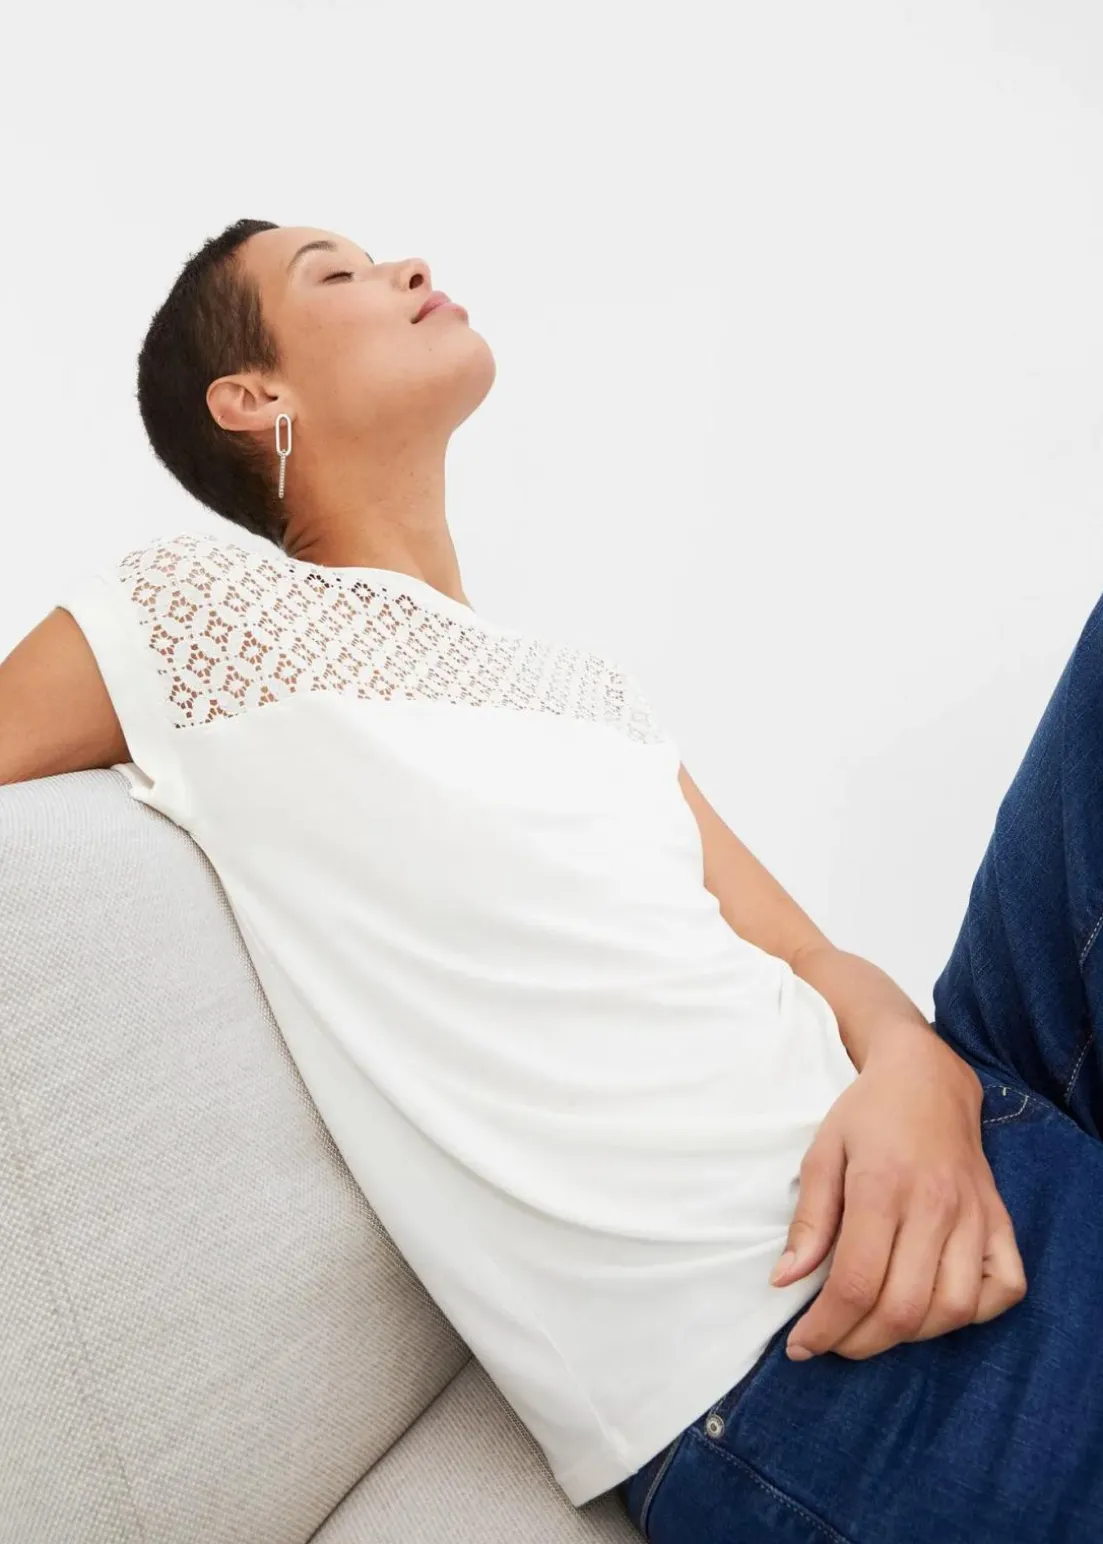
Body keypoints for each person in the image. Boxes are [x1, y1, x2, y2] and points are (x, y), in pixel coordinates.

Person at [0, 219, 1100, 1542]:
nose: (407, 269)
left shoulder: (585, 687)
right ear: (252, 398)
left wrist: (919, 1070)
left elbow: (810, 957)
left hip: (963, 1121)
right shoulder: (190, 613)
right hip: (811, 1323)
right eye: (334, 274)